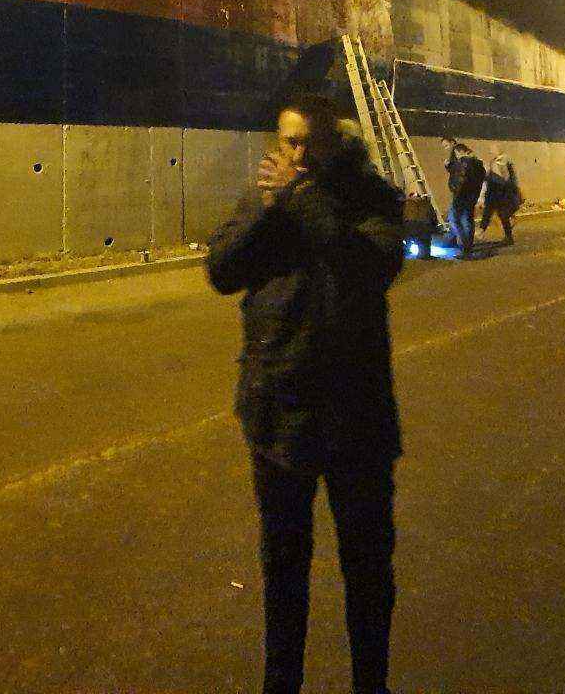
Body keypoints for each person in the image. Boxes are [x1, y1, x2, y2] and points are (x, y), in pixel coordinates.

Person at [207, 93, 407, 694]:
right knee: (284, 568)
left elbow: (368, 267)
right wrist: (269, 210)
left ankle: (371, 683)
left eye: (307, 143)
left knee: (367, 569)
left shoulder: (370, 197)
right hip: (279, 411)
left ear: (333, 142)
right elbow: (221, 271)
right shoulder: (268, 197)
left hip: (357, 415)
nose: (295, 155)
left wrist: (300, 197)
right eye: (288, 142)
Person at [444, 140, 487, 257]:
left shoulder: (462, 163)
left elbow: (460, 179)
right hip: (473, 196)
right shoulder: (478, 163)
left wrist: (454, 189)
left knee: (454, 219)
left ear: (459, 152)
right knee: (468, 220)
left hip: (461, 196)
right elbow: (482, 178)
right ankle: (468, 246)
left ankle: (464, 245)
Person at [480, 151, 521, 244]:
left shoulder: (501, 168)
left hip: (500, 196)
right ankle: (508, 237)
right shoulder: (493, 171)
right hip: (496, 196)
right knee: (500, 215)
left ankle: (508, 237)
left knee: (500, 215)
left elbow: (506, 180)